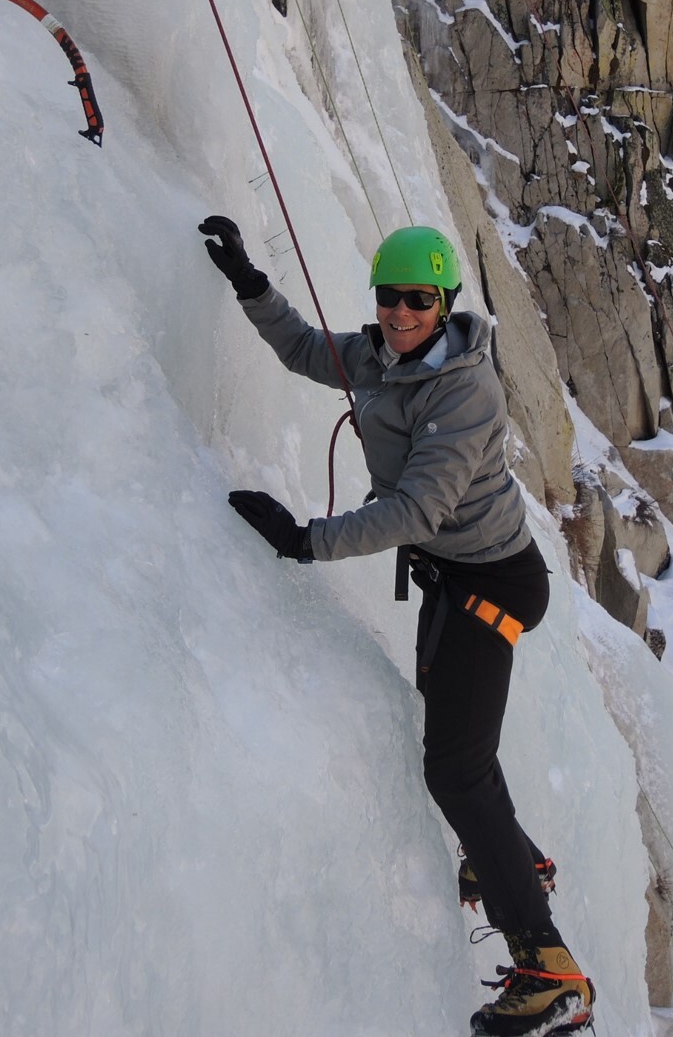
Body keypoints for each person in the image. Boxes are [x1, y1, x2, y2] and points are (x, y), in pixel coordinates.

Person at [200, 216, 594, 1037]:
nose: (401, 312)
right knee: (459, 751)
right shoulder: (384, 353)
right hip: (457, 579)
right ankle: (518, 863)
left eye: (418, 299)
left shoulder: (465, 389)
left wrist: (306, 539)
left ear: (444, 301)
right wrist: (249, 284)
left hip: (492, 580)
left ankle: (550, 967)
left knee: (454, 768)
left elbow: (418, 507)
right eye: (390, 297)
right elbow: (311, 351)